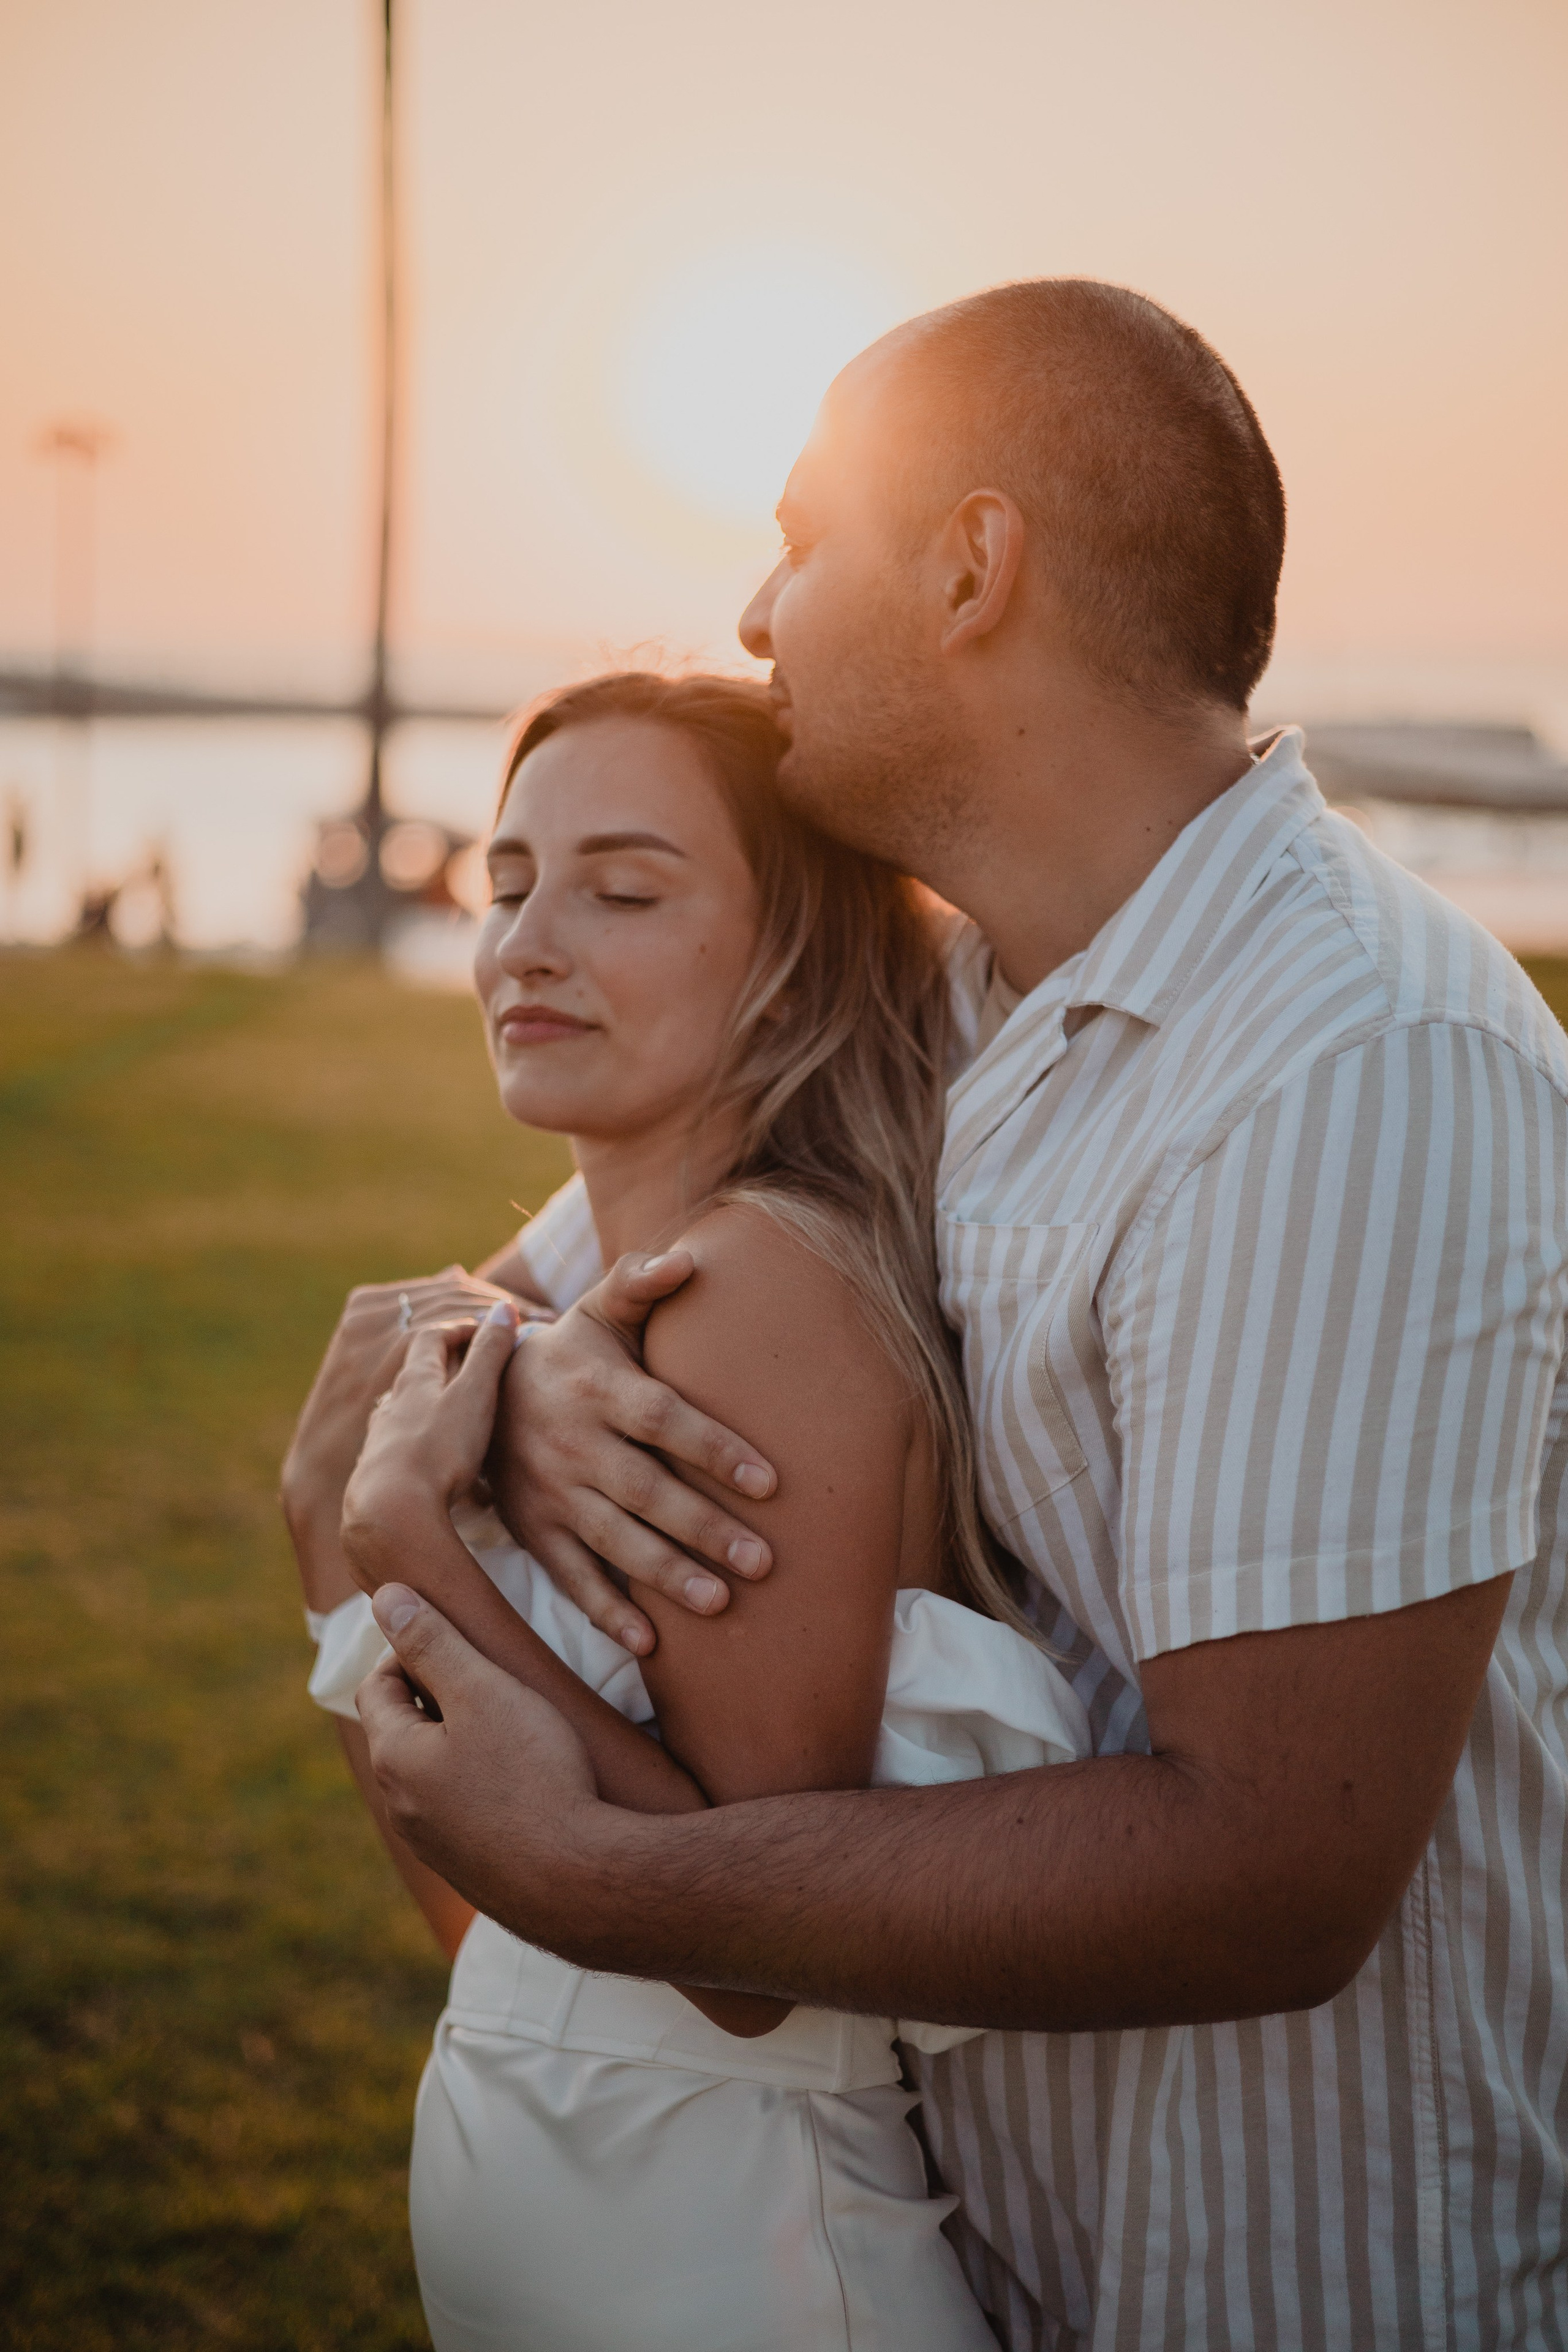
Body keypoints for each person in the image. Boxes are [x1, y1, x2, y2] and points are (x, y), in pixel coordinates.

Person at [352, 279, 1568, 2351]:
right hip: (979, 2262)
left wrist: (590, 1874)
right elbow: (561, 1276)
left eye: (805, 537)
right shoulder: (955, 1008)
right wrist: (525, 1368)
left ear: (973, 563)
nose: (757, 613)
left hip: (1304, 2286)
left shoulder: (1354, 1057)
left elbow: (1272, 1867)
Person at [285, 670, 1091, 2350]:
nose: (528, 944)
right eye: (505, 885)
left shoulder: (760, 1290)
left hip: (747, 2250)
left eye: (625, 890)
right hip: (590, 2186)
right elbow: (495, 1896)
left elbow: (738, 1961)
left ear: (792, 957)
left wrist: (414, 1558)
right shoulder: (615, 1291)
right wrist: (349, 1541)